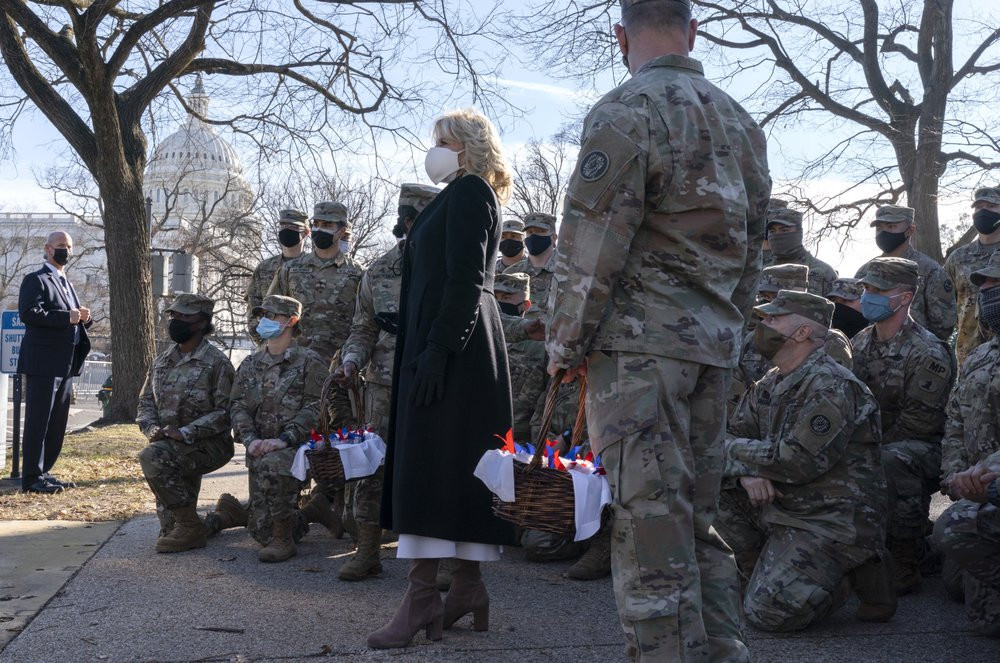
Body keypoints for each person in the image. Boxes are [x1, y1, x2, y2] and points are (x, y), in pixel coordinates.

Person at [545, 1, 770, 659]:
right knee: (696, 520)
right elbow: (753, 251)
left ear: (621, 36)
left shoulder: (626, 110)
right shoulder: (740, 121)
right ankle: (721, 648)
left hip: (640, 354)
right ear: (692, 30)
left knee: (648, 523)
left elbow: (592, 245)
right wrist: (730, 331)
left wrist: (564, 345)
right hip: (713, 350)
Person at [369, 108, 516, 649]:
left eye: (444, 140)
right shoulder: (459, 192)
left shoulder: (471, 190)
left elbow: (465, 278)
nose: (434, 148)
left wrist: (436, 350)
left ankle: (423, 596)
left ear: (469, 146)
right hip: (452, 342)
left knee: (433, 463)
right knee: (451, 461)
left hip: (454, 345)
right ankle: (467, 589)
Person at [719, 291, 894, 631]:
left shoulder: (832, 386)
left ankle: (856, 569)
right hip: (782, 505)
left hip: (829, 518)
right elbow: (727, 435)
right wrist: (746, 474)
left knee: (768, 615)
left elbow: (797, 460)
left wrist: (745, 461)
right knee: (705, 491)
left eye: (773, 319)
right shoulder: (771, 382)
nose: (762, 325)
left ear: (801, 333)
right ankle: (771, 572)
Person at [334, 182, 439, 582]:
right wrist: (350, 361)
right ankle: (367, 549)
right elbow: (363, 328)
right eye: (412, 221)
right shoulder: (378, 272)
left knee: (433, 467)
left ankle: (440, 557)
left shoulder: (452, 272)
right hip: (382, 385)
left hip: (435, 386)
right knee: (371, 467)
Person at [851, 257, 954, 594]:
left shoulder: (927, 352)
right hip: (874, 442)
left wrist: (864, 450)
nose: (869, 296)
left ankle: (905, 559)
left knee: (892, 459)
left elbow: (918, 424)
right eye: (866, 288)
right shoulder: (860, 343)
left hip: (924, 449)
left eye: (879, 290)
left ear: (905, 297)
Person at [228, 295, 331, 563]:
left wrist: (285, 439)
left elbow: (315, 409)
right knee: (259, 531)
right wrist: (250, 440)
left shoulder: (310, 362)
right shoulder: (251, 364)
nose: (265, 322)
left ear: (292, 321)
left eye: (273, 316)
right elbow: (237, 405)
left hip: (298, 450)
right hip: (260, 451)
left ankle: (284, 539)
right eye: (263, 316)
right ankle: (313, 512)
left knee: (274, 468)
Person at [136, 294, 235, 553]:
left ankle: (190, 527)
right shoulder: (161, 362)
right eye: (173, 316)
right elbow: (145, 404)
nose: (175, 321)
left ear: (202, 323)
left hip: (210, 445)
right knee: (169, 532)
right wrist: (152, 429)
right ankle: (224, 518)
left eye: (183, 316)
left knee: (152, 457)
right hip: (168, 446)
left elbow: (226, 413)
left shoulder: (217, 363)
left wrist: (185, 433)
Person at [934, 252, 1000, 635]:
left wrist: (986, 472)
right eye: (983, 286)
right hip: (977, 491)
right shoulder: (980, 355)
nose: (985, 292)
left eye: (994, 284)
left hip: (991, 484)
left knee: (954, 531)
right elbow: (955, 420)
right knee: (964, 595)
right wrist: (955, 479)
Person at [17, 230, 92, 494]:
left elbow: (71, 317)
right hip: (43, 363)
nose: (66, 251)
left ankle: (45, 472)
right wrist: (68, 317)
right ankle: (31, 479)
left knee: (56, 424)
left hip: (66, 363)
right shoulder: (36, 279)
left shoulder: (67, 282)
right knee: (38, 422)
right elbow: (29, 313)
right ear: (48, 248)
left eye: (69, 246)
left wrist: (84, 318)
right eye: (61, 245)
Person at [855, 205, 956, 341]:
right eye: (879, 228)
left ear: (910, 230)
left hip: (916, 354)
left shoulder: (929, 270)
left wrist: (919, 345)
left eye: (891, 227)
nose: (883, 233)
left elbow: (944, 324)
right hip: (869, 351)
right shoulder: (865, 271)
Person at [944, 186, 1000, 365]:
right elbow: (945, 305)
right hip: (968, 356)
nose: (983, 211)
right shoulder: (958, 258)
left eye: (991, 206)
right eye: (978, 207)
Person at [244, 209, 309, 343]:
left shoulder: (313, 268)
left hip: (305, 348)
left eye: (293, 227)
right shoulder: (264, 268)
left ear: (306, 232)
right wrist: (264, 343)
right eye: (283, 226)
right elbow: (253, 310)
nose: (287, 230)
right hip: (270, 347)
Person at [767, 204, 839, 297]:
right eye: (772, 232)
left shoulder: (823, 272)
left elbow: (837, 309)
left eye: (784, 231)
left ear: (799, 232)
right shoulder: (762, 272)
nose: (777, 235)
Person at [503, 212, 558, 321]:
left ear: (554, 238)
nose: (533, 236)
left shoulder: (566, 271)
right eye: (530, 232)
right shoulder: (510, 274)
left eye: (540, 231)